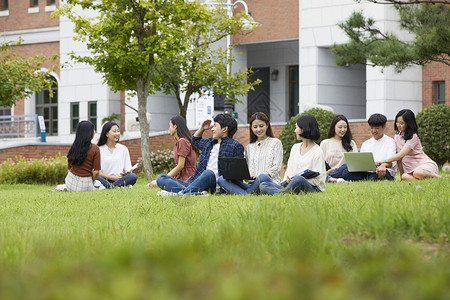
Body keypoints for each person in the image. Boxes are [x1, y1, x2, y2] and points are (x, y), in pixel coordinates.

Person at [156, 113, 244, 195]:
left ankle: (181, 193)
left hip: (214, 185)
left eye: (215, 126)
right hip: (194, 182)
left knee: (208, 173)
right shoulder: (210, 143)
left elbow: (237, 175)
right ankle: (194, 193)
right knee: (161, 178)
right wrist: (202, 128)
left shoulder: (236, 146)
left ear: (225, 129)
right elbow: (194, 140)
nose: (212, 129)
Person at [217, 112, 283, 195]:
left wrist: (260, 175)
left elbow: (277, 167)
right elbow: (247, 171)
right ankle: (248, 194)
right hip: (252, 184)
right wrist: (249, 176)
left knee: (263, 177)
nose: (258, 129)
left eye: (261, 126)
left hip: (268, 183)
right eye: (255, 127)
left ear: (267, 125)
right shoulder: (249, 147)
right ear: (251, 128)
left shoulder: (275, 142)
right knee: (222, 179)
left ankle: (244, 194)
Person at [259, 114, 326, 195]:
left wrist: (295, 180)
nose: (295, 130)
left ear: (303, 129)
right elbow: (289, 171)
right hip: (291, 185)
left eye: (296, 127)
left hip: (311, 187)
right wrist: (286, 182)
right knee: (264, 185)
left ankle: (283, 193)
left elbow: (318, 179)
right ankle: (286, 193)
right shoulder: (295, 147)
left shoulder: (318, 151)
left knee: (299, 179)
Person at [376, 109, 440, 181]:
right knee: (404, 177)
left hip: (424, 166)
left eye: (401, 123)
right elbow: (399, 159)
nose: (398, 125)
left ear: (408, 123)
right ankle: (423, 181)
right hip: (410, 170)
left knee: (418, 173)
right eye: (397, 122)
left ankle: (439, 178)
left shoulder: (413, 137)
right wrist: (401, 175)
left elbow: (400, 155)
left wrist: (383, 161)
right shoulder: (397, 136)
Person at [146, 115, 198, 188]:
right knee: (158, 180)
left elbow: (180, 165)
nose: (169, 128)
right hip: (186, 178)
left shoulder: (182, 141)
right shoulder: (183, 141)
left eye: (170, 126)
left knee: (159, 179)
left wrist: (164, 179)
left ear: (175, 126)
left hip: (186, 179)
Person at [341, 113, 396, 181]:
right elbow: (361, 162)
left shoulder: (391, 142)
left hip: (383, 171)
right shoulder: (366, 143)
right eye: (372, 128)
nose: (373, 131)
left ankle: (363, 180)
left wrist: (383, 165)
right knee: (345, 172)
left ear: (384, 127)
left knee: (379, 173)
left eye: (377, 128)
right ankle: (368, 180)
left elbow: (391, 163)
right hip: (367, 172)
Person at [96, 122, 138, 188]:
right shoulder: (98, 149)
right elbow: (96, 172)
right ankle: (113, 187)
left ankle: (110, 187)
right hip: (104, 180)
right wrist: (112, 178)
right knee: (92, 175)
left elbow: (129, 169)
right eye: (114, 131)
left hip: (119, 180)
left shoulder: (123, 149)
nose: (117, 134)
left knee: (133, 176)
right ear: (106, 134)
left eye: (118, 131)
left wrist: (126, 174)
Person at [320, 114, 357, 182]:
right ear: (334, 127)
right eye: (340, 127)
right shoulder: (325, 143)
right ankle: (333, 179)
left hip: (346, 173)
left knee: (345, 167)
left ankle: (332, 179)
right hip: (330, 173)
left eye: (345, 127)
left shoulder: (351, 143)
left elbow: (355, 163)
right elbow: (320, 164)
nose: (343, 130)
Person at [65, 121, 101, 192]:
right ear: (90, 133)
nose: (94, 132)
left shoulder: (73, 147)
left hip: (70, 183)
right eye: (93, 130)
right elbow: (96, 172)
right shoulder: (95, 148)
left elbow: (69, 169)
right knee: (100, 185)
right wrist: (92, 181)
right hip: (86, 184)